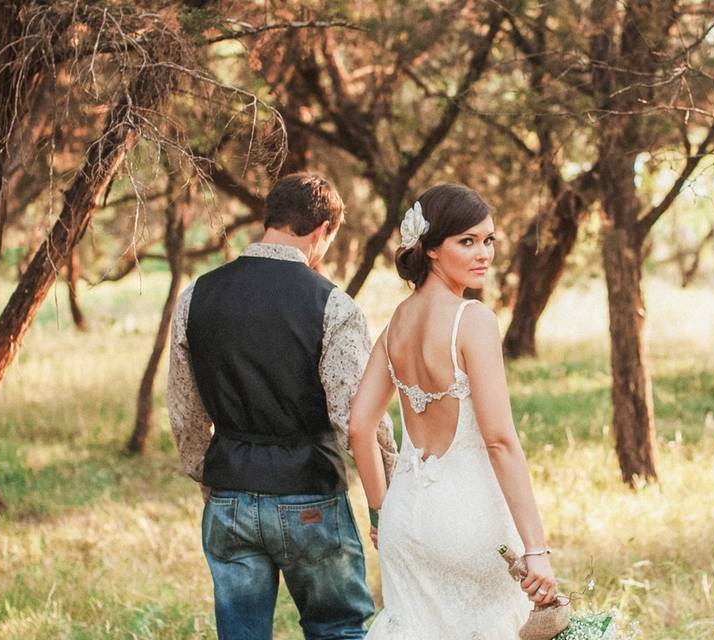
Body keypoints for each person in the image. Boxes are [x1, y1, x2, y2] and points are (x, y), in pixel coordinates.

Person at [167, 172, 398, 640]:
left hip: (228, 494)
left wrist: (206, 474)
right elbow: (357, 415)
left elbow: (185, 410)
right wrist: (390, 492)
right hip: (309, 494)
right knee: (337, 628)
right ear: (322, 232)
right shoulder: (333, 306)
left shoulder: (196, 296)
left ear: (271, 219)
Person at [349, 183, 557, 639]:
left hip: (406, 516)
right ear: (432, 250)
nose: (483, 253)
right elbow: (500, 441)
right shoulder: (473, 320)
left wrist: (381, 512)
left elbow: (360, 426)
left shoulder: (395, 323)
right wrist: (536, 549)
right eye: (467, 241)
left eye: (488, 240)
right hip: (469, 520)